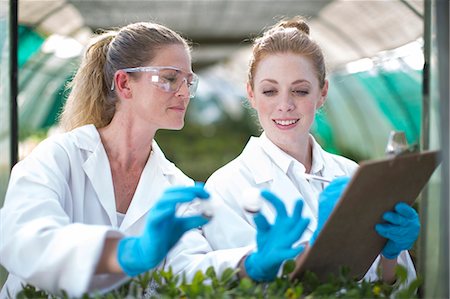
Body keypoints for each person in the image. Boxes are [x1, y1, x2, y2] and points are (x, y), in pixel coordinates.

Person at [166, 16, 419, 285]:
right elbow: (242, 289)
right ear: (251, 94)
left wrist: (391, 254)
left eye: (299, 91)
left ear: (322, 93)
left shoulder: (351, 174)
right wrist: (319, 249)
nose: (284, 105)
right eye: (270, 91)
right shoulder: (228, 187)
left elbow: (397, 287)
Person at [0, 22, 214, 298]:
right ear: (124, 83)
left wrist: (248, 265)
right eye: (170, 78)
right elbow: (24, 239)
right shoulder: (59, 157)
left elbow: (191, 267)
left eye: (188, 81)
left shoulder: (176, 185)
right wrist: (125, 253)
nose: (184, 92)